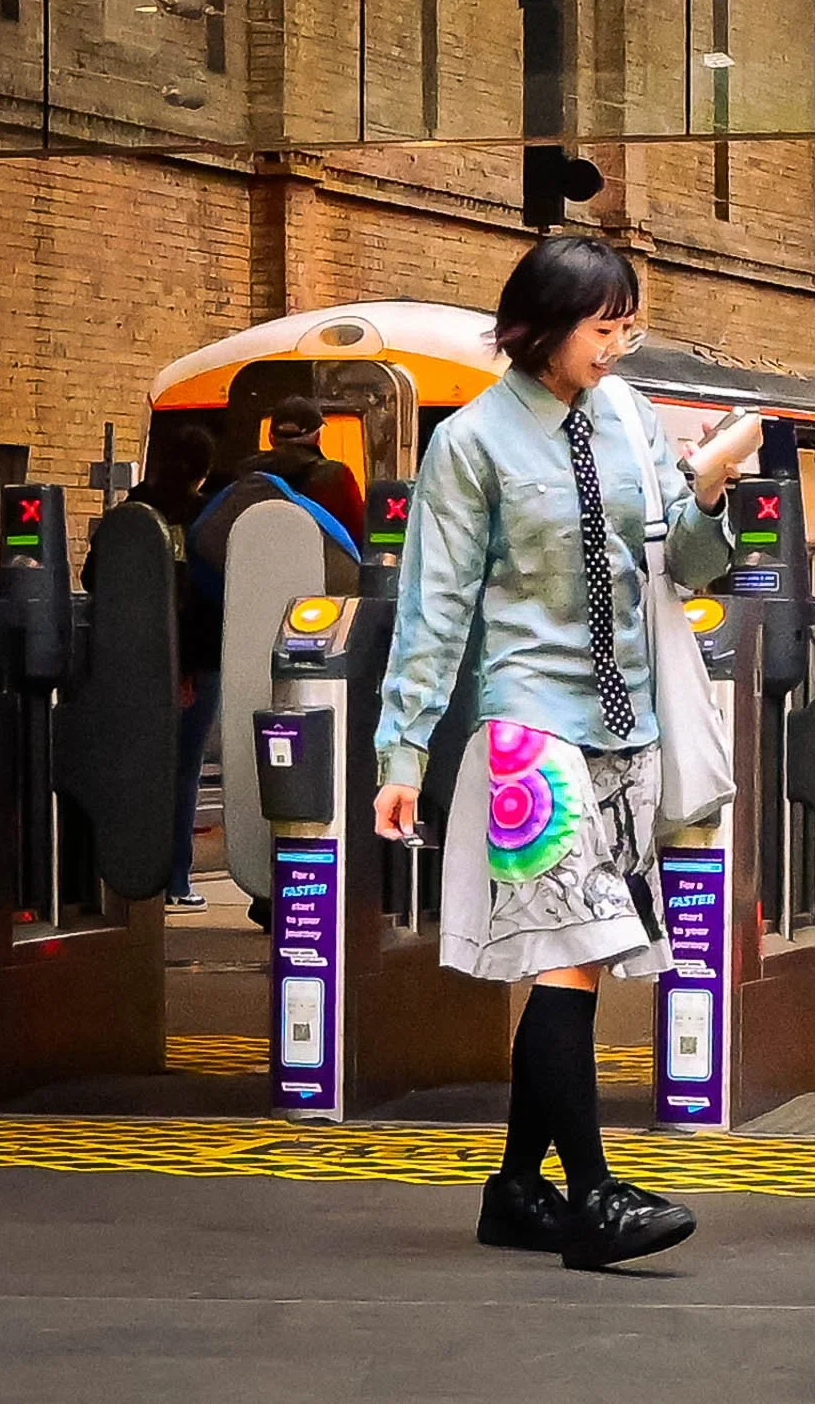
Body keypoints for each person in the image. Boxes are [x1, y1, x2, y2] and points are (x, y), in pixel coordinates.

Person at [372, 236, 735, 1271]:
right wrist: (403, 754)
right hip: (529, 726)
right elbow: (434, 607)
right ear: (540, 325)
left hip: (628, 727)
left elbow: (680, 561)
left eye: (631, 324)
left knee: (568, 963)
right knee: (571, 954)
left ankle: (515, 1189)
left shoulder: (625, 415)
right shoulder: (472, 443)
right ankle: (592, 1193)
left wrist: (707, 493)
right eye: (604, 325)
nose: (619, 345)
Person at [91, 427, 221, 909]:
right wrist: (187, 669)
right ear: (203, 470)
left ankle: (131, 870)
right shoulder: (202, 517)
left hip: (128, 659)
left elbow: (92, 575)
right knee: (184, 769)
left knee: (137, 765)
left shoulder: (128, 512)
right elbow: (198, 600)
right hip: (191, 663)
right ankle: (178, 877)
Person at [234, 396, 365, 551]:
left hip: (254, 569)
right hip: (321, 570)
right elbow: (359, 534)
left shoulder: (245, 474)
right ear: (317, 437)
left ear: (271, 438)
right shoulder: (337, 476)